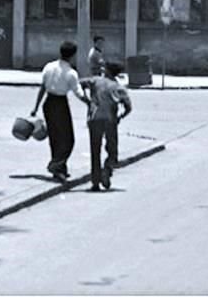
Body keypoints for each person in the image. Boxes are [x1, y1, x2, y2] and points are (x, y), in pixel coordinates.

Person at [30, 41, 89, 182]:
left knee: (55, 137)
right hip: (60, 104)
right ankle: (55, 164)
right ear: (73, 55)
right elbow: (78, 93)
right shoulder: (71, 73)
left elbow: (42, 88)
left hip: (48, 103)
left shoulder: (49, 66)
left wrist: (36, 107)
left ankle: (60, 169)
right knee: (68, 139)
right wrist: (90, 103)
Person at [81, 62, 132, 192]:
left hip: (95, 119)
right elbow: (128, 107)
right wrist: (120, 116)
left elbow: (79, 84)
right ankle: (107, 169)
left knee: (95, 151)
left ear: (107, 71)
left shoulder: (95, 81)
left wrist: (87, 100)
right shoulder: (118, 88)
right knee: (113, 150)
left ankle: (95, 182)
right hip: (110, 120)